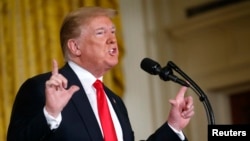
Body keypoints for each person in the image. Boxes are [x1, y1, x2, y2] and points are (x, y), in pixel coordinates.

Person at [7, 6, 194, 141]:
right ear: (75, 46)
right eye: (100, 33)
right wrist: (49, 114)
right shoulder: (41, 89)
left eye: (113, 32)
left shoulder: (115, 102)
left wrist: (173, 126)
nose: (112, 39)